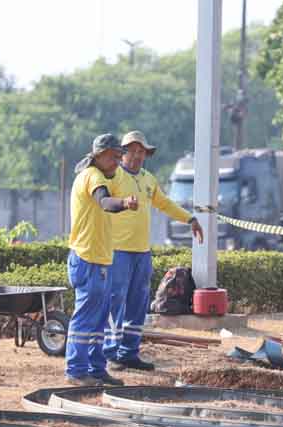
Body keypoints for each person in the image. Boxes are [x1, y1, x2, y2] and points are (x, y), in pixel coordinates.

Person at [103, 130, 204, 371]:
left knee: (138, 303)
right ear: (122, 153)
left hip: (142, 252)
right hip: (116, 251)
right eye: (132, 151)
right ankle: (110, 353)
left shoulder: (148, 179)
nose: (137, 156)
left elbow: (165, 203)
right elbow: (102, 202)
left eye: (141, 152)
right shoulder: (113, 176)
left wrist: (189, 219)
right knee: (115, 301)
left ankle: (129, 352)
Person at [65, 133, 139, 386]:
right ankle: (76, 371)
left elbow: (116, 185)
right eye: (113, 156)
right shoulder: (91, 176)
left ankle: (97, 370)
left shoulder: (107, 174)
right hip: (87, 257)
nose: (117, 161)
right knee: (86, 316)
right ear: (98, 155)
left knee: (99, 318)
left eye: (120, 157)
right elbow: (105, 202)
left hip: (102, 258)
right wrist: (126, 203)